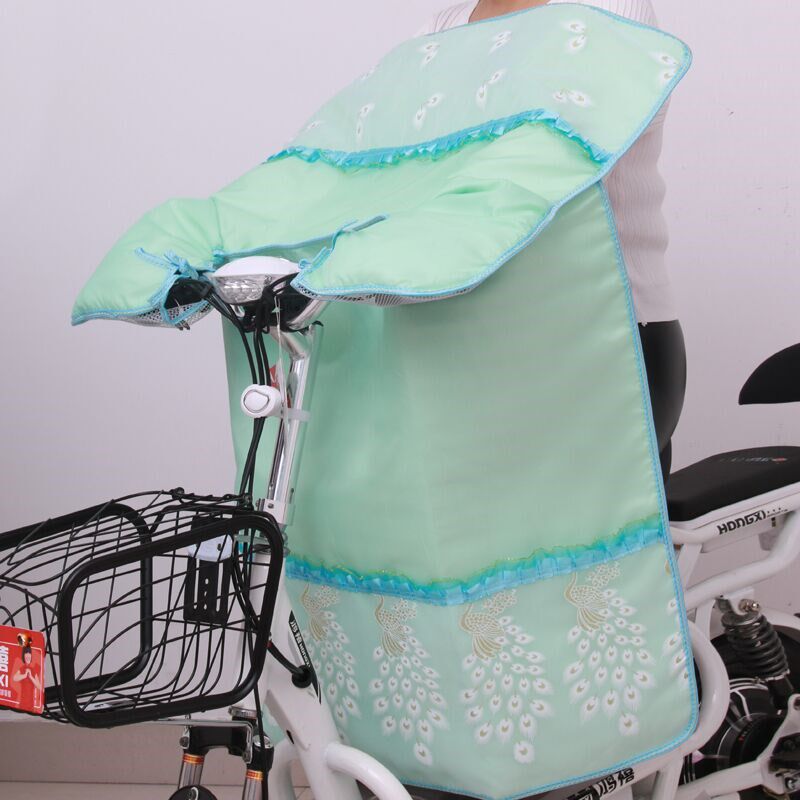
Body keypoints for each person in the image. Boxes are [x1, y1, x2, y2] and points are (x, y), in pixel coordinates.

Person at [417, 0, 687, 480]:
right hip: (472, 332)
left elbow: (573, 152)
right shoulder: (443, 26)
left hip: (608, 328)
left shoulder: (610, 8)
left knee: (589, 520)